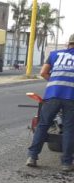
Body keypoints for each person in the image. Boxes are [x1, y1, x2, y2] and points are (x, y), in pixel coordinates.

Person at [27, 34, 74, 171]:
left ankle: (32, 157)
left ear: (68, 43)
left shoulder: (55, 54)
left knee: (43, 125)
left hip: (52, 95)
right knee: (69, 129)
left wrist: (54, 83)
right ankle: (66, 163)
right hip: (71, 97)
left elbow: (43, 72)